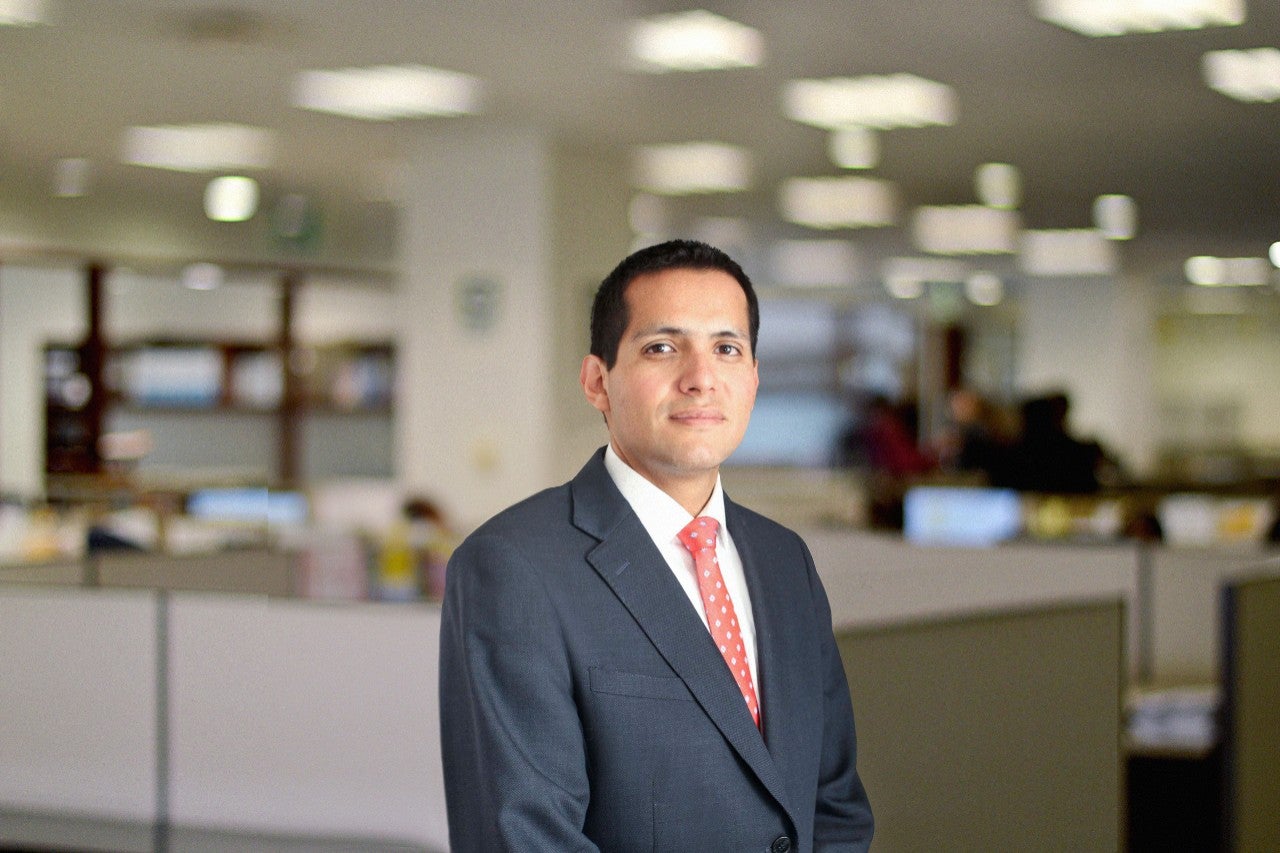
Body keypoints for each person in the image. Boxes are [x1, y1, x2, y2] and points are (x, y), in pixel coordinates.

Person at [439, 239, 874, 852]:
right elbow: (525, 837)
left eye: (726, 349)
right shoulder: (514, 567)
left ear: (753, 379)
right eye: (662, 348)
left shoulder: (784, 560)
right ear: (598, 381)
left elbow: (834, 805)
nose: (700, 379)